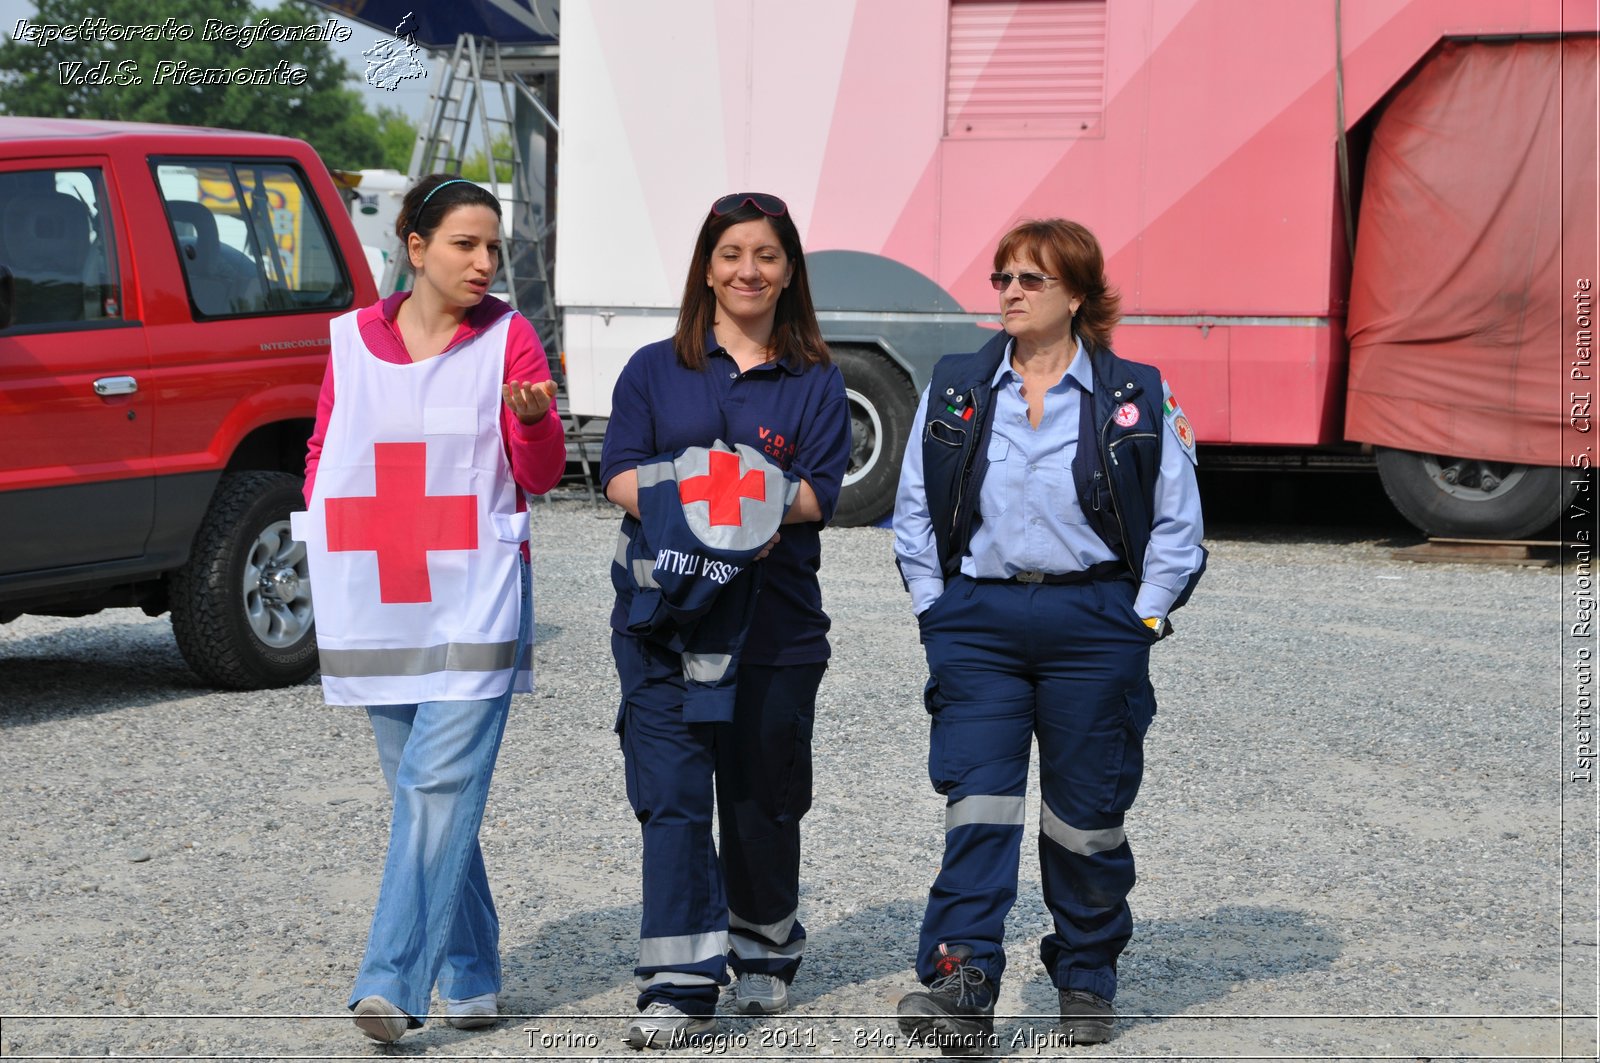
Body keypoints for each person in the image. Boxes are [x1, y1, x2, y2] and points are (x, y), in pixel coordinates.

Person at [891, 219, 1205, 1053]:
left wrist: (1143, 616)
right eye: (1003, 278)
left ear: (1077, 295)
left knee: (1087, 817)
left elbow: (1179, 521)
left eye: (1031, 279)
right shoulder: (958, 384)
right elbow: (915, 509)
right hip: (980, 626)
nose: (1011, 293)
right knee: (979, 808)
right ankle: (963, 982)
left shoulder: (1135, 391)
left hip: (1094, 624)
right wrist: (935, 607)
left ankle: (1086, 976)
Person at [295, 174, 565, 1043]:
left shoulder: (510, 339)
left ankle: (392, 981)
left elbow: (543, 473)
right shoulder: (348, 342)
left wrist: (530, 423)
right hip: (380, 596)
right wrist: (327, 552)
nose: (487, 262)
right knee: (428, 793)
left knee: (436, 784)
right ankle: (474, 972)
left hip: (477, 596)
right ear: (415, 247)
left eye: (494, 247)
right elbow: (326, 451)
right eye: (466, 244)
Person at [600, 192, 850, 1048]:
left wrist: (731, 512)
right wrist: (711, 511)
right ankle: (678, 983)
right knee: (671, 797)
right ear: (707, 265)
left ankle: (766, 947)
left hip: (774, 631)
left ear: (790, 272)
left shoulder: (816, 377)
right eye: (732, 253)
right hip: (661, 625)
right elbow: (619, 473)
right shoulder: (651, 368)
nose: (749, 270)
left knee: (759, 800)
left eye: (767, 256)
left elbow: (820, 492)